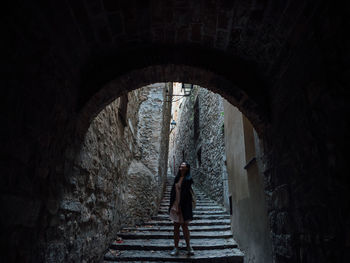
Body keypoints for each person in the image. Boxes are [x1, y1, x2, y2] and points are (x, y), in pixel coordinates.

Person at [168, 161, 195, 256]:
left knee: (184, 226)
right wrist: (172, 205)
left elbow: (186, 196)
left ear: (187, 168)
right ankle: (176, 247)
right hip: (175, 205)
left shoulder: (188, 179)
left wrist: (180, 206)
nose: (181, 168)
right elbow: (173, 192)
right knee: (175, 226)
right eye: (180, 167)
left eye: (183, 167)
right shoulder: (177, 178)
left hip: (184, 206)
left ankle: (189, 247)